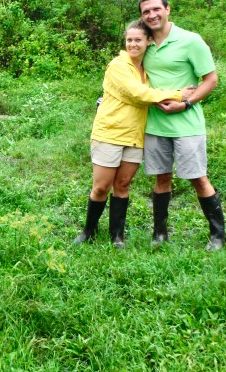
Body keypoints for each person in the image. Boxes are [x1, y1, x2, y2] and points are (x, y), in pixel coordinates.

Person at [74, 20, 193, 248]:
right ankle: (88, 231)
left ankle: (117, 236)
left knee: (123, 184)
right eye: (129, 40)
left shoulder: (147, 70)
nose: (132, 44)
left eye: (138, 40)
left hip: (135, 135)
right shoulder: (118, 66)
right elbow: (137, 94)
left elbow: (150, 91)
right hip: (109, 133)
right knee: (101, 186)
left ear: (149, 41)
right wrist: (179, 94)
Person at [138, 0, 226, 251]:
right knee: (161, 178)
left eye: (156, 9)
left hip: (187, 124)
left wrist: (185, 103)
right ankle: (160, 233)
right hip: (155, 124)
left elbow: (211, 80)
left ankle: (218, 235)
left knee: (198, 178)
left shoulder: (191, 41)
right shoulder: (143, 43)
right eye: (146, 11)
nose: (152, 15)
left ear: (167, 9)